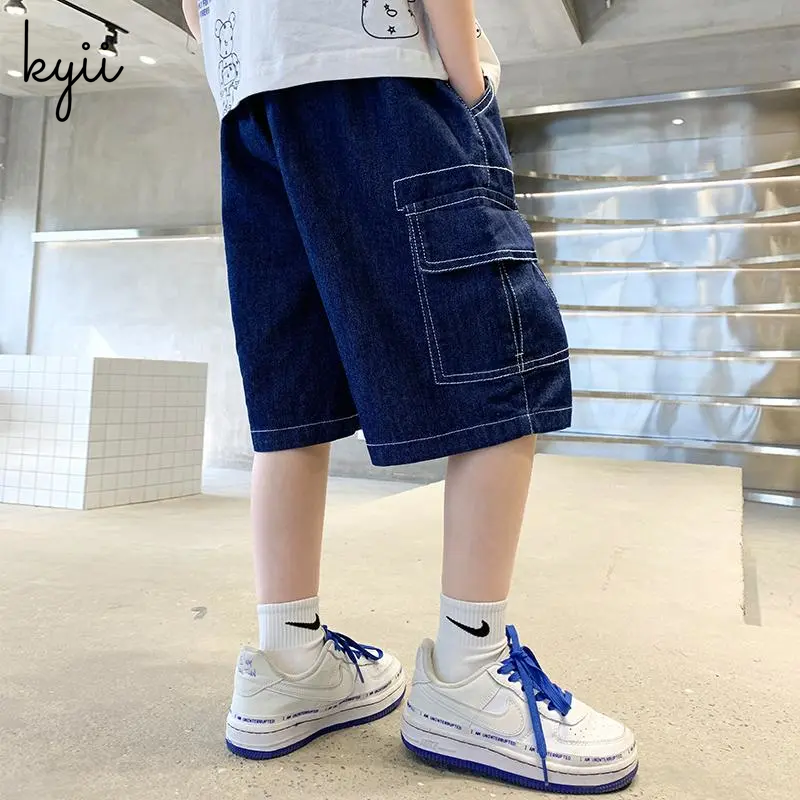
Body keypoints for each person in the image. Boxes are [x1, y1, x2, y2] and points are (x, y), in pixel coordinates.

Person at [182, 0, 638, 792]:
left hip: (251, 103)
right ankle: (470, 672)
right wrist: (471, 91)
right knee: (501, 370)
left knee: (293, 406)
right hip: (383, 74)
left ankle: (288, 662)